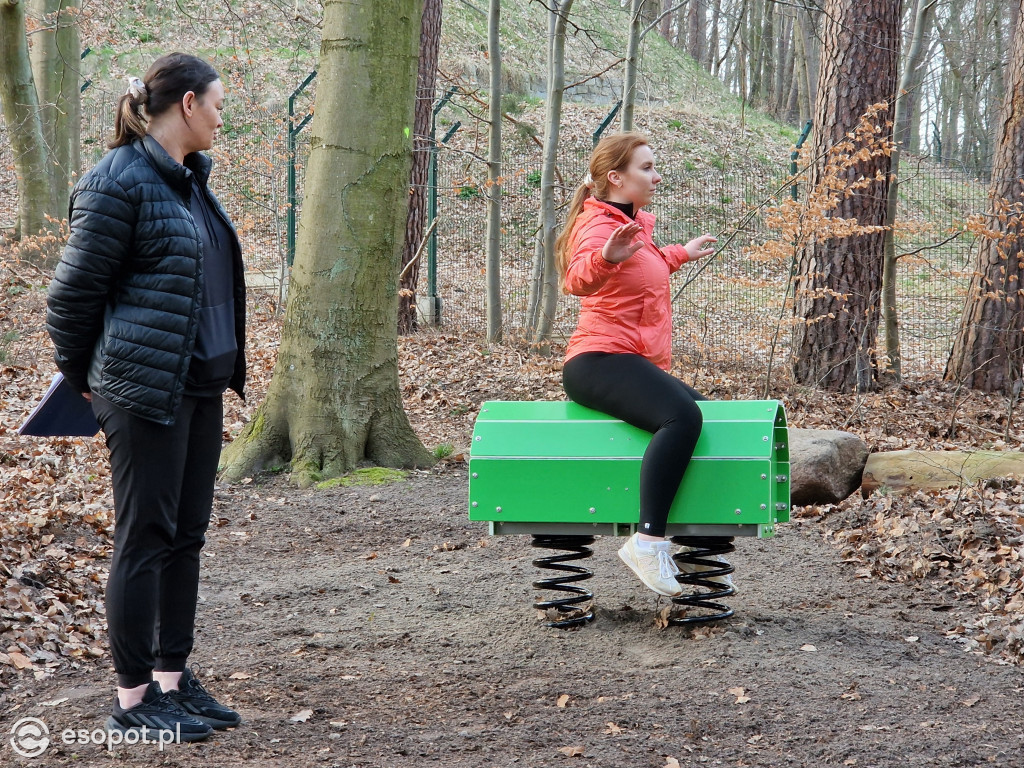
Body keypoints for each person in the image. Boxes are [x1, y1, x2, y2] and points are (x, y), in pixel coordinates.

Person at [46, 53, 246, 743]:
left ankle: (171, 679)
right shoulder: (117, 182)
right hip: (143, 390)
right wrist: (88, 377)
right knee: (144, 538)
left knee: (184, 537)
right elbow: (70, 299)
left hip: (197, 384)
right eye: (218, 103)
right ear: (188, 104)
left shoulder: (190, 181)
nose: (224, 117)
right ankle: (132, 702)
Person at [556, 131, 721, 598]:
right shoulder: (599, 227)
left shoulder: (631, 223)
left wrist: (679, 255)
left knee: (714, 416)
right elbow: (577, 277)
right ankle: (648, 540)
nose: (657, 175)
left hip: (626, 358)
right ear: (616, 178)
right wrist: (605, 258)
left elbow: (642, 270)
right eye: (646, 167)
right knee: (681, 416)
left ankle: (699, 547)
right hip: (599, 359)